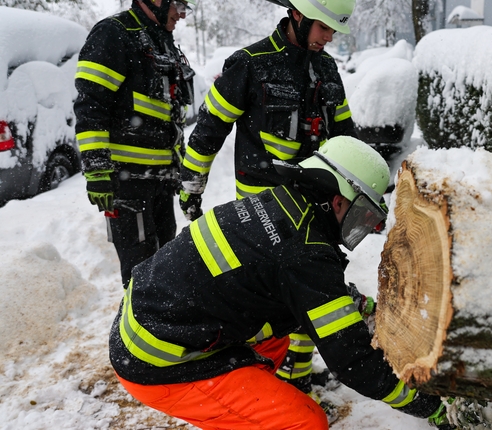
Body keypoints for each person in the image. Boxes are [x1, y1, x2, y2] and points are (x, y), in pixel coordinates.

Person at [109, 136, 452, 429]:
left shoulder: (280, 205)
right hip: (160, 362)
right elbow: (352, 359)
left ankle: (256, 407)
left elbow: (298, 288)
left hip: (149, 318)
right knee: (306, 423)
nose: (362, 225)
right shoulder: (305, 253)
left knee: (277, 334)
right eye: (363, 215)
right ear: (339, 200)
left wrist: (361, 307)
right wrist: (425, 405)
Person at [179, 0, 358, 220]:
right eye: (323, 27)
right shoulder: (250, 64)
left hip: (318, 209)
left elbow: (345, 134)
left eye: (333, 30)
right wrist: (192, 189)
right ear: (297, 13)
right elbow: (209, 129)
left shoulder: (327, 68)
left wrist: (361, 190)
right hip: (262, 212)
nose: (329, 38)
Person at [73, 0, 196, 288]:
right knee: (141, 277)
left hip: (160, 181)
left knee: (165, 268)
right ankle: (133, 334)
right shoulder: (113, 34)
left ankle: (161, 333)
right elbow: (91, 106)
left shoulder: (161, 42)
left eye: (184, 8)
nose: (181, 15)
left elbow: (170, 115)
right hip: (126, 184)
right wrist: (98, 169)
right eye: (178, 5)